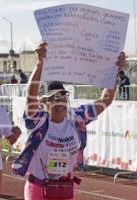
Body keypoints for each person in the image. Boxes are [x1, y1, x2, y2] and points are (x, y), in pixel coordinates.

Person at [12, 43, 125, 200]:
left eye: (63, 97)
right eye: (53, 98)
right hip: (38, 189)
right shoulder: (38, 120)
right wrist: (40, 64)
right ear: (43, 104)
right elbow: (30, 95)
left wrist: (115, 72)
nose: (60, 102)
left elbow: (106, 99)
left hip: (65, 189)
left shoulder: (77, 117)